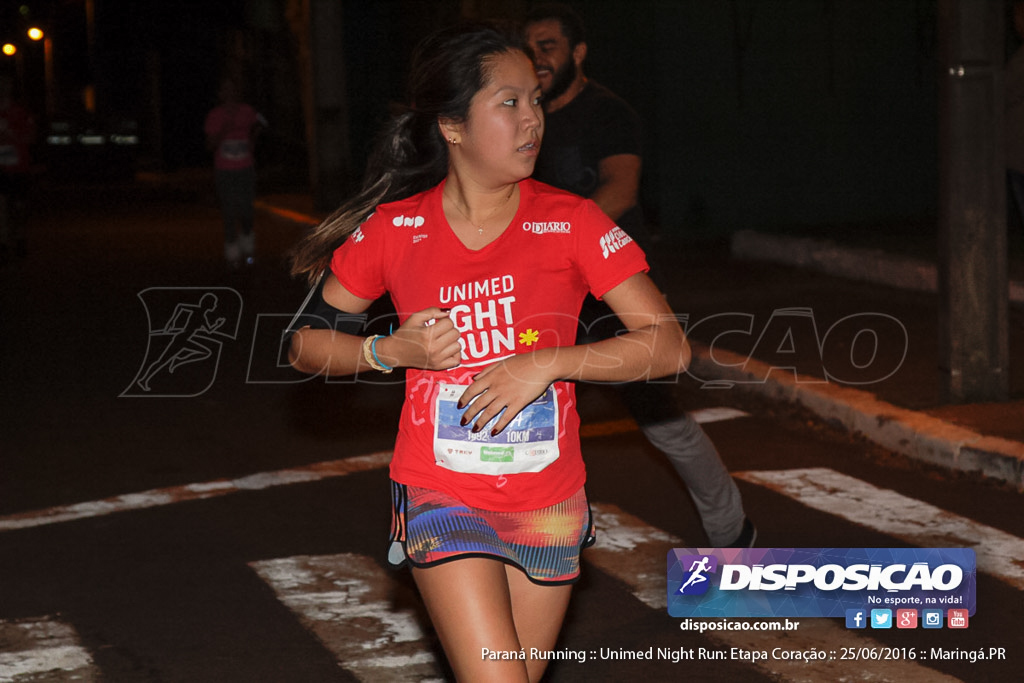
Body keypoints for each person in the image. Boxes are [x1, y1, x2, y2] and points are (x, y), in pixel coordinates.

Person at [288, 21, 688, 682]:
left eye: (535, 100)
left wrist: (549, 361)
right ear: (452, 126)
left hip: (549, 498)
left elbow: (668, 345)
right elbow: (305, 343)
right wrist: (389, 348)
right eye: (509, 102)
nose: (532, 119)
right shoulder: (396, 229)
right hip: (443, 492)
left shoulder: (571, 220)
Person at [524, 3, 755, 548]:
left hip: (610, 288)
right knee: (530, 411)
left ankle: (732, 530)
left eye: (548, 45)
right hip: (544, 287)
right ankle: (530, 537)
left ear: (577, 54)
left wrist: (555, 251)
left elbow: (620, 189)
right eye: (529, 45)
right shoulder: (522, 118)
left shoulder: (608, 113)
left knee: (660, 417)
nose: (536, 56)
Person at [204, 78, 265, 268]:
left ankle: (247, 243)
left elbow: (261, 123)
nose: (229, 93)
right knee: (229, 211)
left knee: (247, 210)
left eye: (233, 89)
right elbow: (210, 145)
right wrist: (224, 131)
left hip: (245, 168)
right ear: (220, 94)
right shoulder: (215, 115)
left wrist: (252, 140)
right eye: (225, 90)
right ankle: (232, 252)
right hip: (225, 170)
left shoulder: (247, 111)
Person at [0, 74, 36, 263]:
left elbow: (31, 137)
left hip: (19, 164)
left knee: (19, 206)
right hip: (3, 165)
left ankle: (20, 239)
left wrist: (12, 137)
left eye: (6, 83)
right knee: (3, 204)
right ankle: (4, 242)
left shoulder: (21, 111)